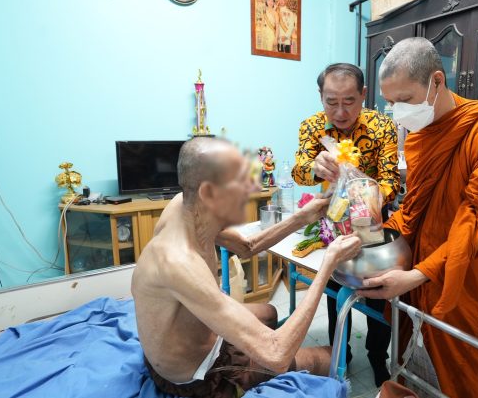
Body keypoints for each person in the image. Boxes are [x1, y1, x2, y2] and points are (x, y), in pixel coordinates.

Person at [358, 37, 478, 398]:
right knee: (418, 375)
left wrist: (416, 275)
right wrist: (371, 239)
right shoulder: (420, 136)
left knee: (477, 379)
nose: (397, 112)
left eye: (405, 99)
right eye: (390, 103)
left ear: (437, 81)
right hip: (424, 277)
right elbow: (414, 210)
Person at [132, 137, 362, 398]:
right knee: (329, 356)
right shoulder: (178, 261)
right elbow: (277, 354)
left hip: (199, 335)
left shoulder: (185, 205)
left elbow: (247, 246)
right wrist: (327, 264)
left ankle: (255, 350)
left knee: (269, 312)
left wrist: (302, 217)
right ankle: (246, 375)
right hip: (200, 373)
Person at [291, 63, 400, 386]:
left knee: (378, 291)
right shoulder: (312, 127)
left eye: (349, 101)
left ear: (364, 94)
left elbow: (391, 180)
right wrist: (314, 167)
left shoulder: (382, 126)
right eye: (331, 102)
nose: (340, 112)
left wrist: (365, 198)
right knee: (336, 288)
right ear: (320, 96)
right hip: (333, 223)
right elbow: (299, 172)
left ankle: (377, 356)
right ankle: (341, 353)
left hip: (373, 222)